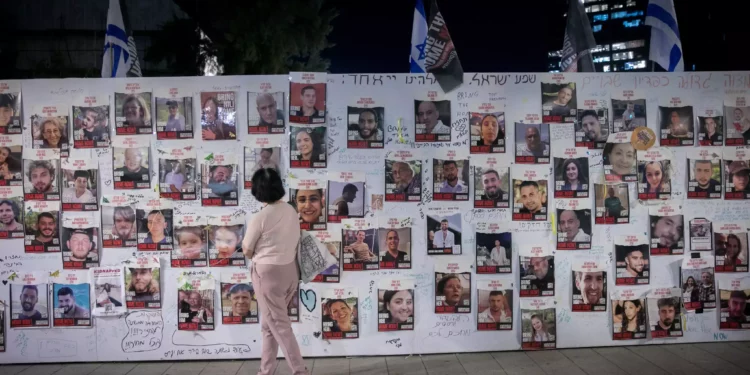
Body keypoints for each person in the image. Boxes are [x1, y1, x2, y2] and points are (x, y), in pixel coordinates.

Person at [242, 167, 309, 375]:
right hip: (290, 272)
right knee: (269, 325)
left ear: (257, 191)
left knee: (279, 325)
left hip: (267, 275)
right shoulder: (291, 210)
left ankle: (300, 371)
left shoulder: (261, 216)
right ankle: (266, 370)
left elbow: (247, 249)